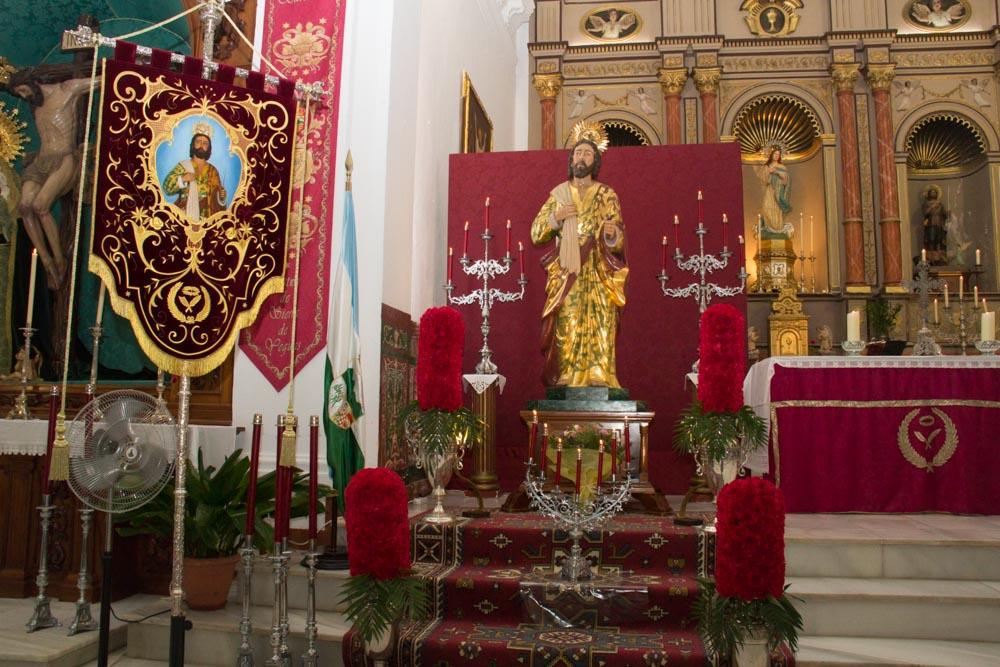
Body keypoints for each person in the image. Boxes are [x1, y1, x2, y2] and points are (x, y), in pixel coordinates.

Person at [530, 137, 628, 388]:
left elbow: (618, 235)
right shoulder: (559, 194)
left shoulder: (606, 193)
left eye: (587, 154)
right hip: (568, 268)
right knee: (568, 318)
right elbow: (536, 233)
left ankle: (599, 371)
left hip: (597, 268)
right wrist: (556, 217)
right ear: (571, 160)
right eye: (577, 153)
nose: (581, 158)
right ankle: (567, 372)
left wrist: (610, 233)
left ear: (595, 161)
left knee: (600, 317)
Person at [7, 67, 94, 288]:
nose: (25, 97)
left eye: (25, 90)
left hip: (65, 158)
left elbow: (105, 79)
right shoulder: (35, 103)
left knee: (40, 205)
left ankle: (59, 259)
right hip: (41, 161)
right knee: (24, 206)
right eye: (20, 94)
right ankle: (45, 260)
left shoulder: (68, 89)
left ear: (33, 82)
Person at [162, 123, 227, 220]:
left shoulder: (213, 171)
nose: (201, 145)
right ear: (193, 144)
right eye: (198, 142)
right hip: (185, 216)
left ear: (208, 148)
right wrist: (183, 178)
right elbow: (167, 188)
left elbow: (217, 199)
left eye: (205, 143)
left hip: (206, 219)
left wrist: (221, 197)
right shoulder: (183, 166)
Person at [755, 146, 792, 236]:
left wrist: (775, 171)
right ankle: (769, 229)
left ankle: (777, 229)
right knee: (766, 207)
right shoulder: (767, 166)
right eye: (775, 154)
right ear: (771, 154)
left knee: (776, 210)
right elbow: (764, 179)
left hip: (778, 192)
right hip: (770, 190)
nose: (776, 156)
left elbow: (785, 180)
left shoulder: (781, 166)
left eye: (778, 154)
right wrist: (768, 172)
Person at [921, 185, 948, 264]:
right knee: (931, 239)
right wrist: (932, 207)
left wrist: (947, 213)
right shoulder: (926, 204)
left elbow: (945, 214)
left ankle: (939, 254)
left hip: (939, 223)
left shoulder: (940, 204)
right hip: (931, 224)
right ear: (928, 194)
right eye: (931, 192)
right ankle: (931, 255)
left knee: (939, 239)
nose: (933, 194)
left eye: (934, 192)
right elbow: (925, 213)